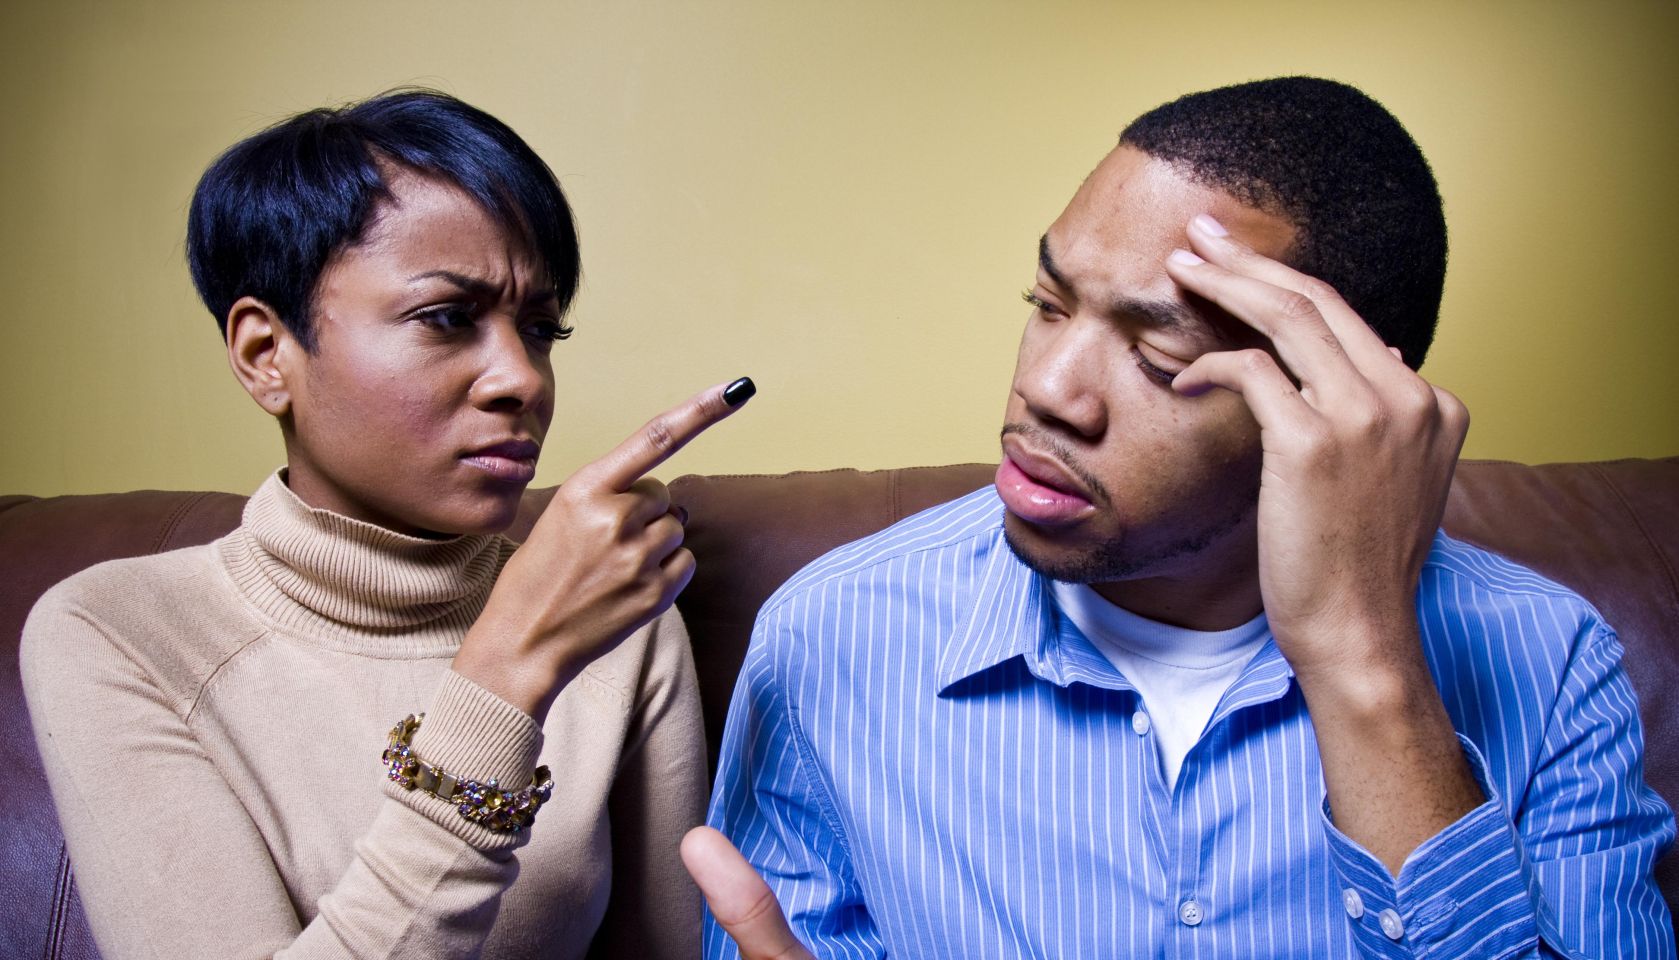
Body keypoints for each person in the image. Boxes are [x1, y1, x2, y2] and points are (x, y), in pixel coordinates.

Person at [683, 77, 1676, 958]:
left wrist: (1362, 659)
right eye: (1046, 303)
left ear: (1344, 400)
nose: (1048, 390)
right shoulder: (830, 633)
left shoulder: (1549, 663)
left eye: (1160, 359)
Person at [20, 89, 752, 958]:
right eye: (446, 318)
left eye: (540, 329)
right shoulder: (117, 632)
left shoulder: (620, 613)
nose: (522, 379)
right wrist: (506, 672)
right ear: (265, 355)